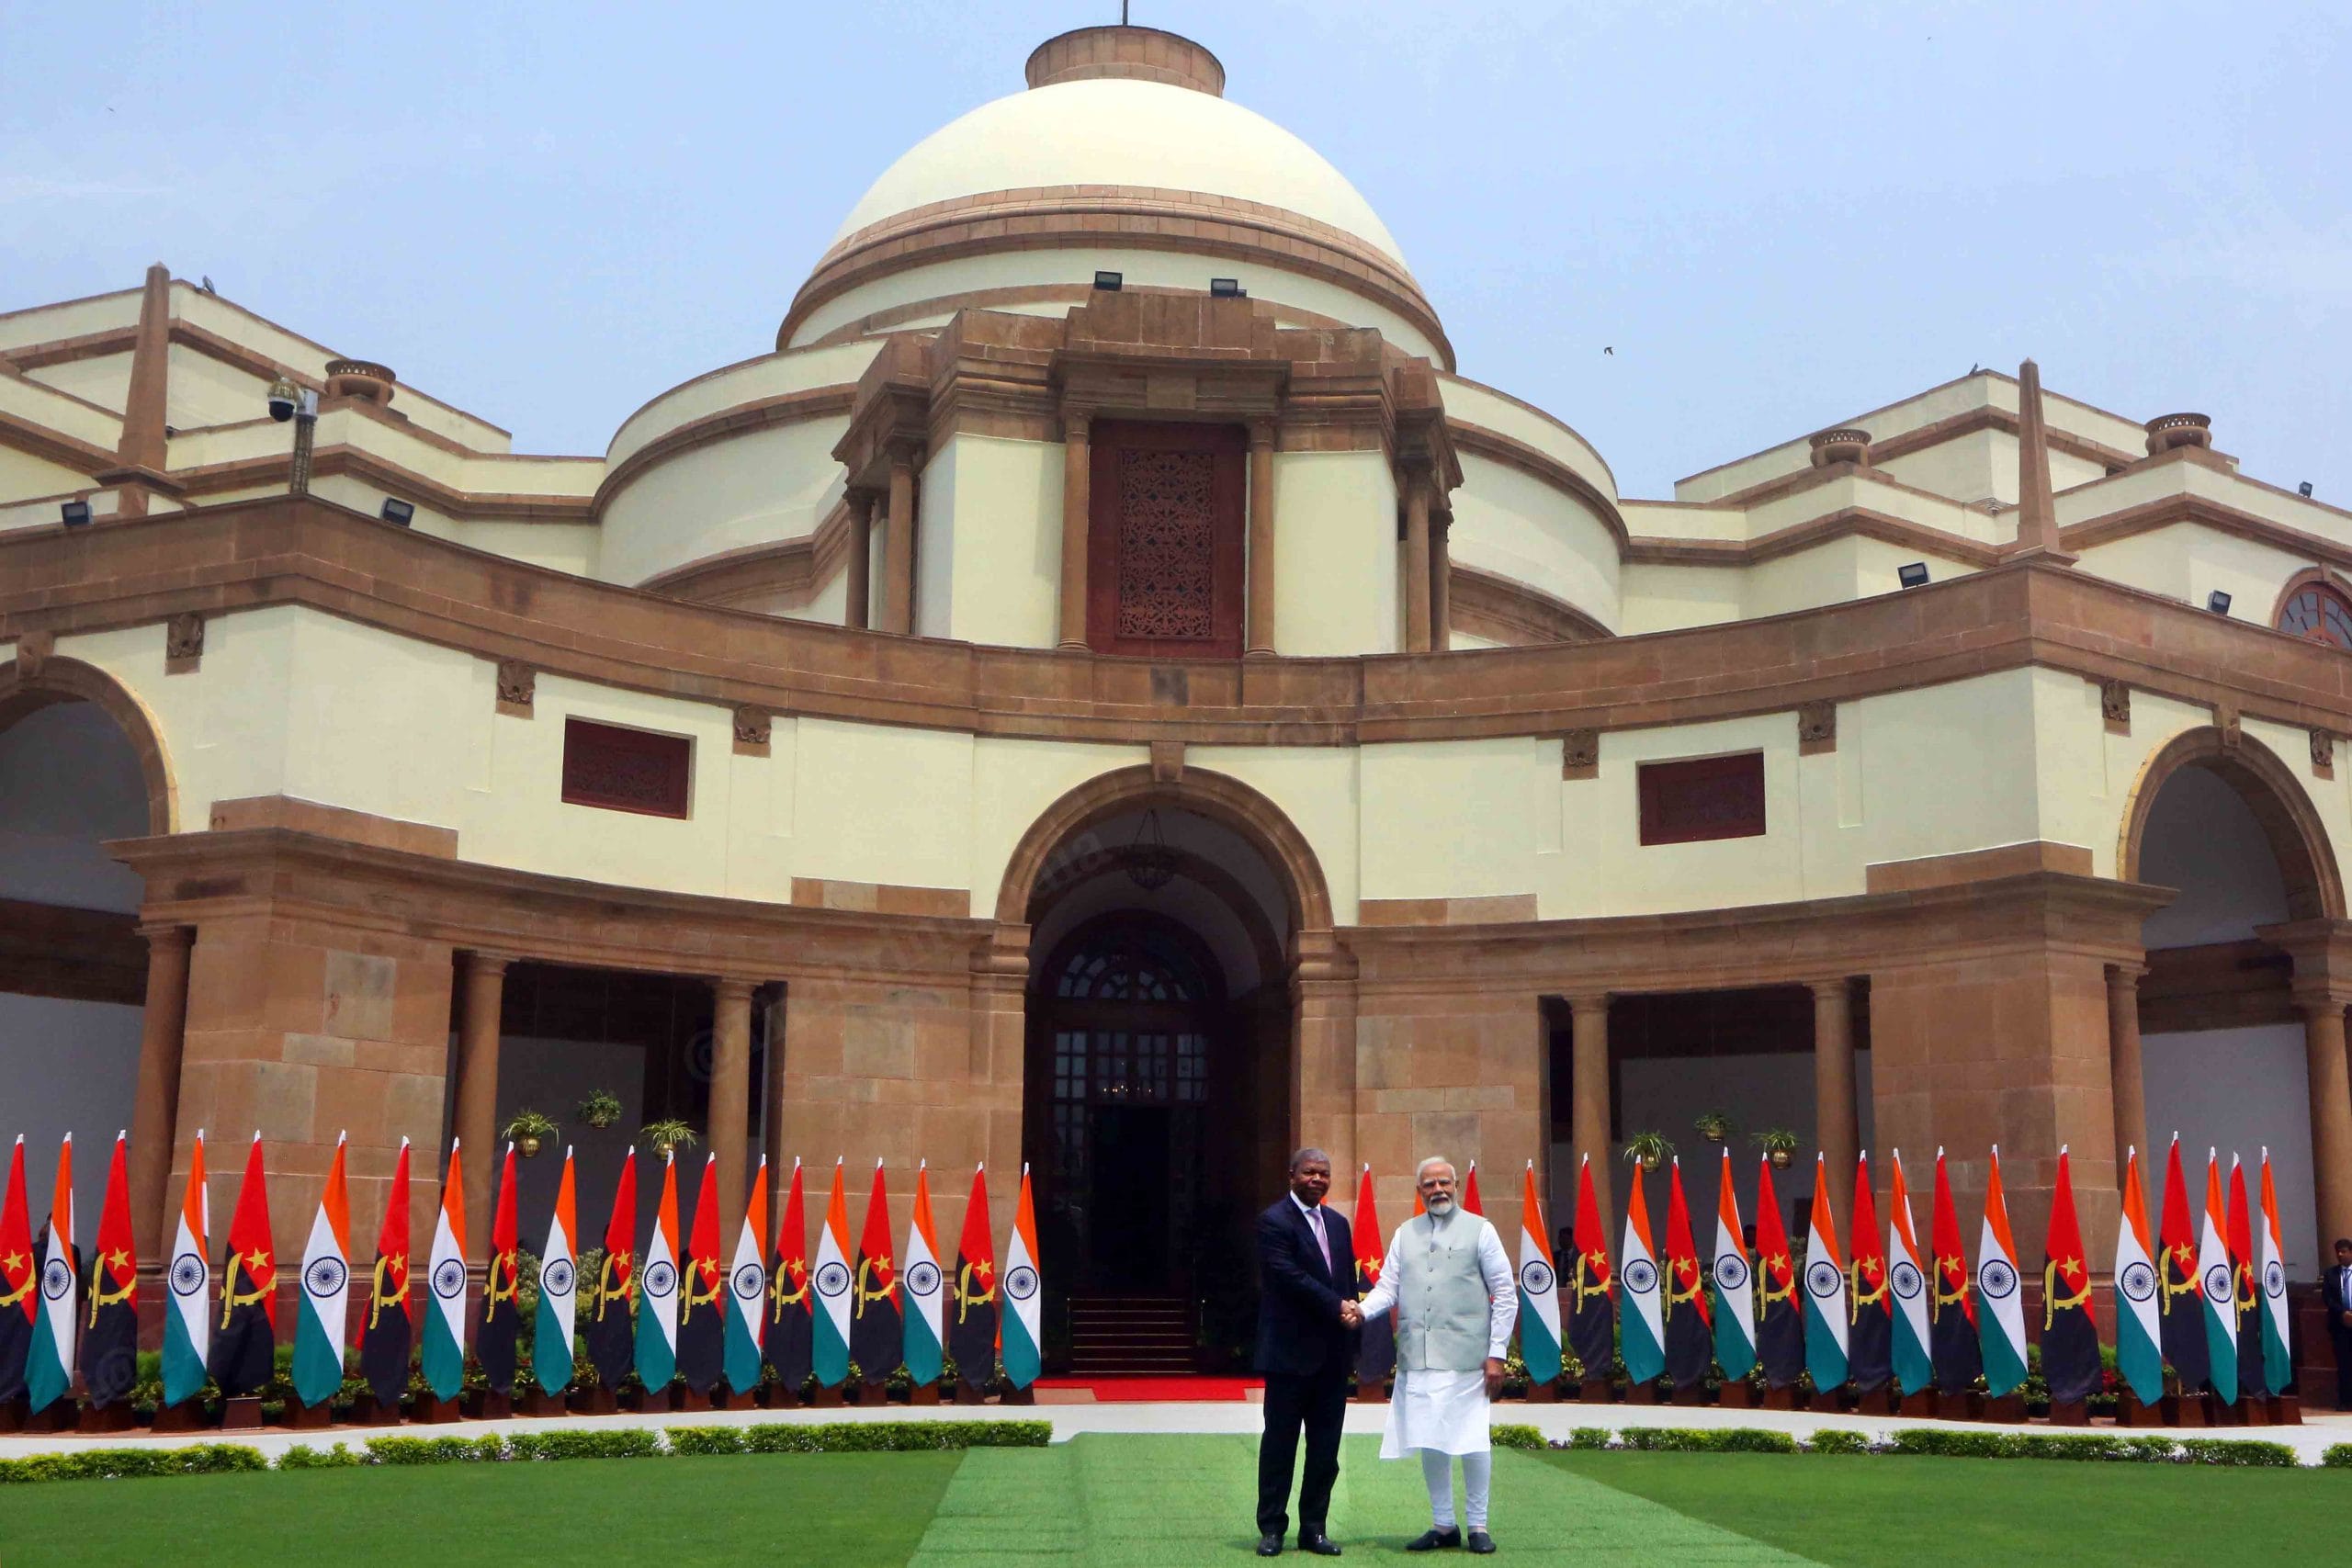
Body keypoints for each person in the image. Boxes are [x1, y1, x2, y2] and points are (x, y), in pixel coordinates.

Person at [1352, 1156, 1517, 1555]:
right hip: (1418, 1357)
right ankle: (1444, 1524)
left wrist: (1496, 1354)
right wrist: (1357, 1310)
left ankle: (1478, 1524)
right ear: (1419, 1190)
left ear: (1456, 1185)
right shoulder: (1405, 1233)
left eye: (1444, 1182)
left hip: (1468, 1358)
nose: (1438, 1190)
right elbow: (1387, 1288)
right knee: (1431, 1441)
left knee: (1473, 1440)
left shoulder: (1482, 1230)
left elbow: (1505, 1294)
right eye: (1429, 1184)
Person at [1254, 1147, 1356, 1557]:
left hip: (1332, 1357)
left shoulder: (1338, 1223)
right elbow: (1288, 1276)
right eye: (1310, 1172)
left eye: (1324, 1173)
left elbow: (1346, 1278)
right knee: (1279, 1446)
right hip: (1288, 1355)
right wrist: (1338, 1305)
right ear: (1291, 1175)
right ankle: (1272, 1529)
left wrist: (1353, 1318)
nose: (1317, 1179)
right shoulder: (1273, 1221)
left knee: (1325, 1450)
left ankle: (1314, 1528)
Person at [2326, 1236, 2352, 1410]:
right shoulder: (2331, 1274)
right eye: (2338, 1252)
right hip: (2340, 1324)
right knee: (2344, 1363)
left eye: (2344, 1251)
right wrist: (2342, 1313)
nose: (2340, 1255)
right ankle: (2345, 1401)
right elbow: (2327, 1298)